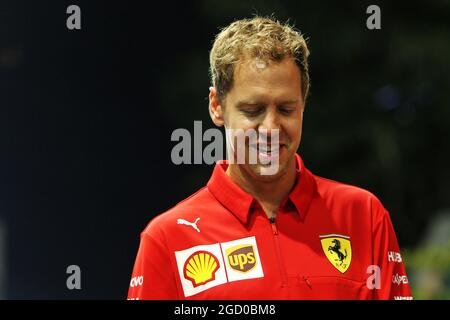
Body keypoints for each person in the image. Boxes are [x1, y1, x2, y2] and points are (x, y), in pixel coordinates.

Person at [127, 16, 413, 300]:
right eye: (253, 110)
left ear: (303, 104)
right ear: (216, 106)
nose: (271, 129)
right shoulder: (167, 239)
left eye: (287, 109)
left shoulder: (364, 216)